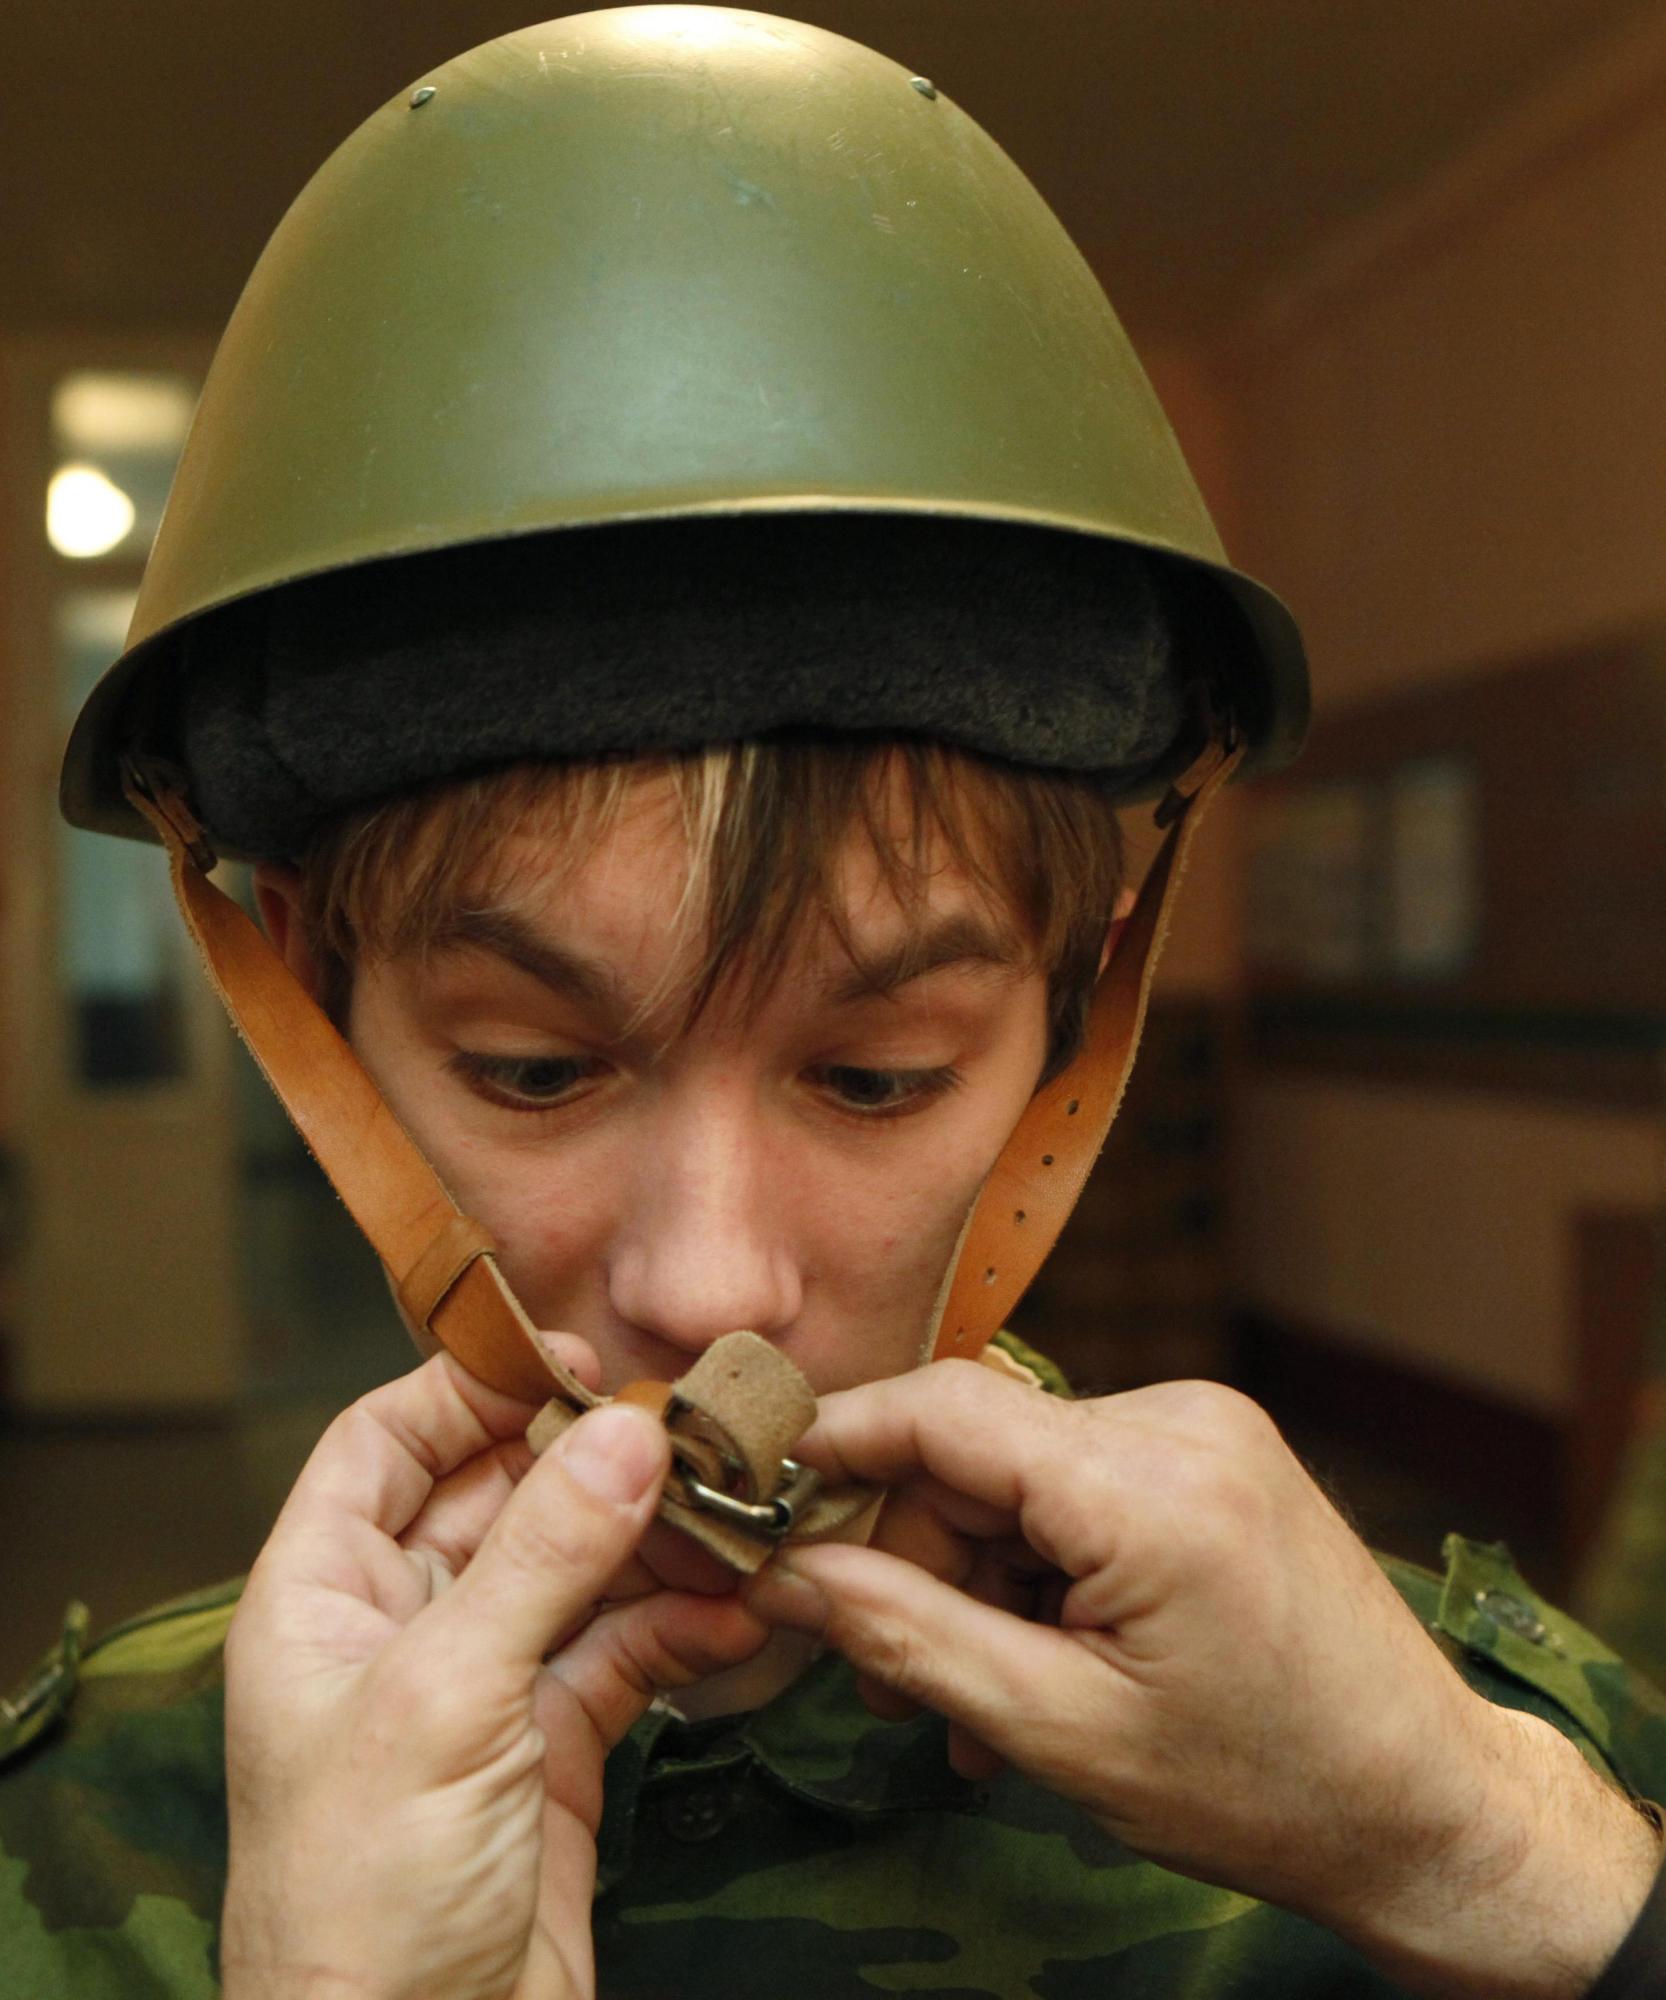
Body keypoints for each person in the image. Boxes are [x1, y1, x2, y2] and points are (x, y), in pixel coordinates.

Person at [5, 9, 1666, 1996]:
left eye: (875, 1075)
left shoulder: (1486, 1763)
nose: (712, 1290)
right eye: (531, 1067)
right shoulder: (68, 1850)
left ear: (1073, 1011)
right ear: (309, 1008)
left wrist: (1496, 1861)